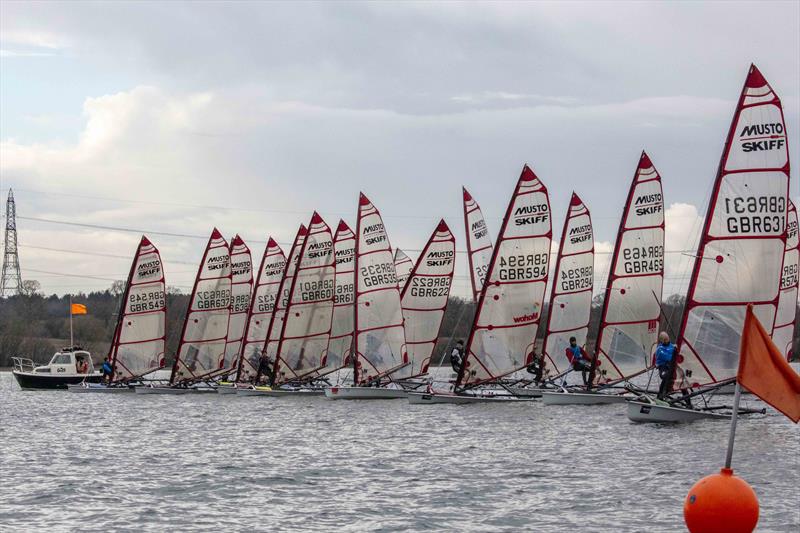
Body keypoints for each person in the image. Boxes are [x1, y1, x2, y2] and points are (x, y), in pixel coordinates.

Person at [655, 331, 677, 400]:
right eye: (664, 339)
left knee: (681, 378)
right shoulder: (659, 349)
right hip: (663, 367)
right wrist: (674, 353)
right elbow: (668, 357)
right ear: (662, 340)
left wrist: (676, 349)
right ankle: (660, 395)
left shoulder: (673, 346)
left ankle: (688, 402)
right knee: (665, 376)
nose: (667, 340)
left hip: (671, 367)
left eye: (667, 338)